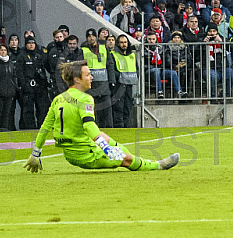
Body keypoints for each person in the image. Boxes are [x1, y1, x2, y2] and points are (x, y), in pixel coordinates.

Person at [24, 60, 179, 173]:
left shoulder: (58, 99)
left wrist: (35, 153)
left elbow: (45, 127)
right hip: (86, 155)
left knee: (103, 136)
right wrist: (105, 148)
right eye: (88, 75)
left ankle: (123, 152)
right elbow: (89, 125)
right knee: (126, 160)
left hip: (70, 154)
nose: (91, 77)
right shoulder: (85, 98)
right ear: (77, 79)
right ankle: (158, 165)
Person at [81, 28, 114, 128]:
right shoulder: (83, 50)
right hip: (91, 85)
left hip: (104, 84)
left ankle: (109, 129)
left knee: (107, 110)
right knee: (93, 110)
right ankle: (94, 129)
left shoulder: (104, 48)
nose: (91, 38)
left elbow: (110, 65)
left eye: (93, 36)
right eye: (89, 36)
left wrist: (112, 81)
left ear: (96, 37)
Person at [17, 36, 50, 130]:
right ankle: (30, 128)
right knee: (28, 109)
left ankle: (41, 126)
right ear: (26, 45)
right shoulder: (22, 56)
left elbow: (42, 71)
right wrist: (24, 85)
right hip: (28, 85)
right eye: (29, 43)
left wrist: (44, 82)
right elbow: (19, 72)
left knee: (42, 108)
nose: (31, 45)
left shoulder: (38, 56)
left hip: (39, 86)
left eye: (33, 43)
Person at [110, 34, 137, 127]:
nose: (124, 44)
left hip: (129, 84)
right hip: (119, 85)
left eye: (125, 42)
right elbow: (112, 70)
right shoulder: (113, 54)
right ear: (118, 44)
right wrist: (121, 77)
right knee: (118, 107)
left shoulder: (132, 55)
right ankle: (119, 126)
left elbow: (136, 68)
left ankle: (126, 126)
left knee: (127, 107)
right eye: (121, 42)